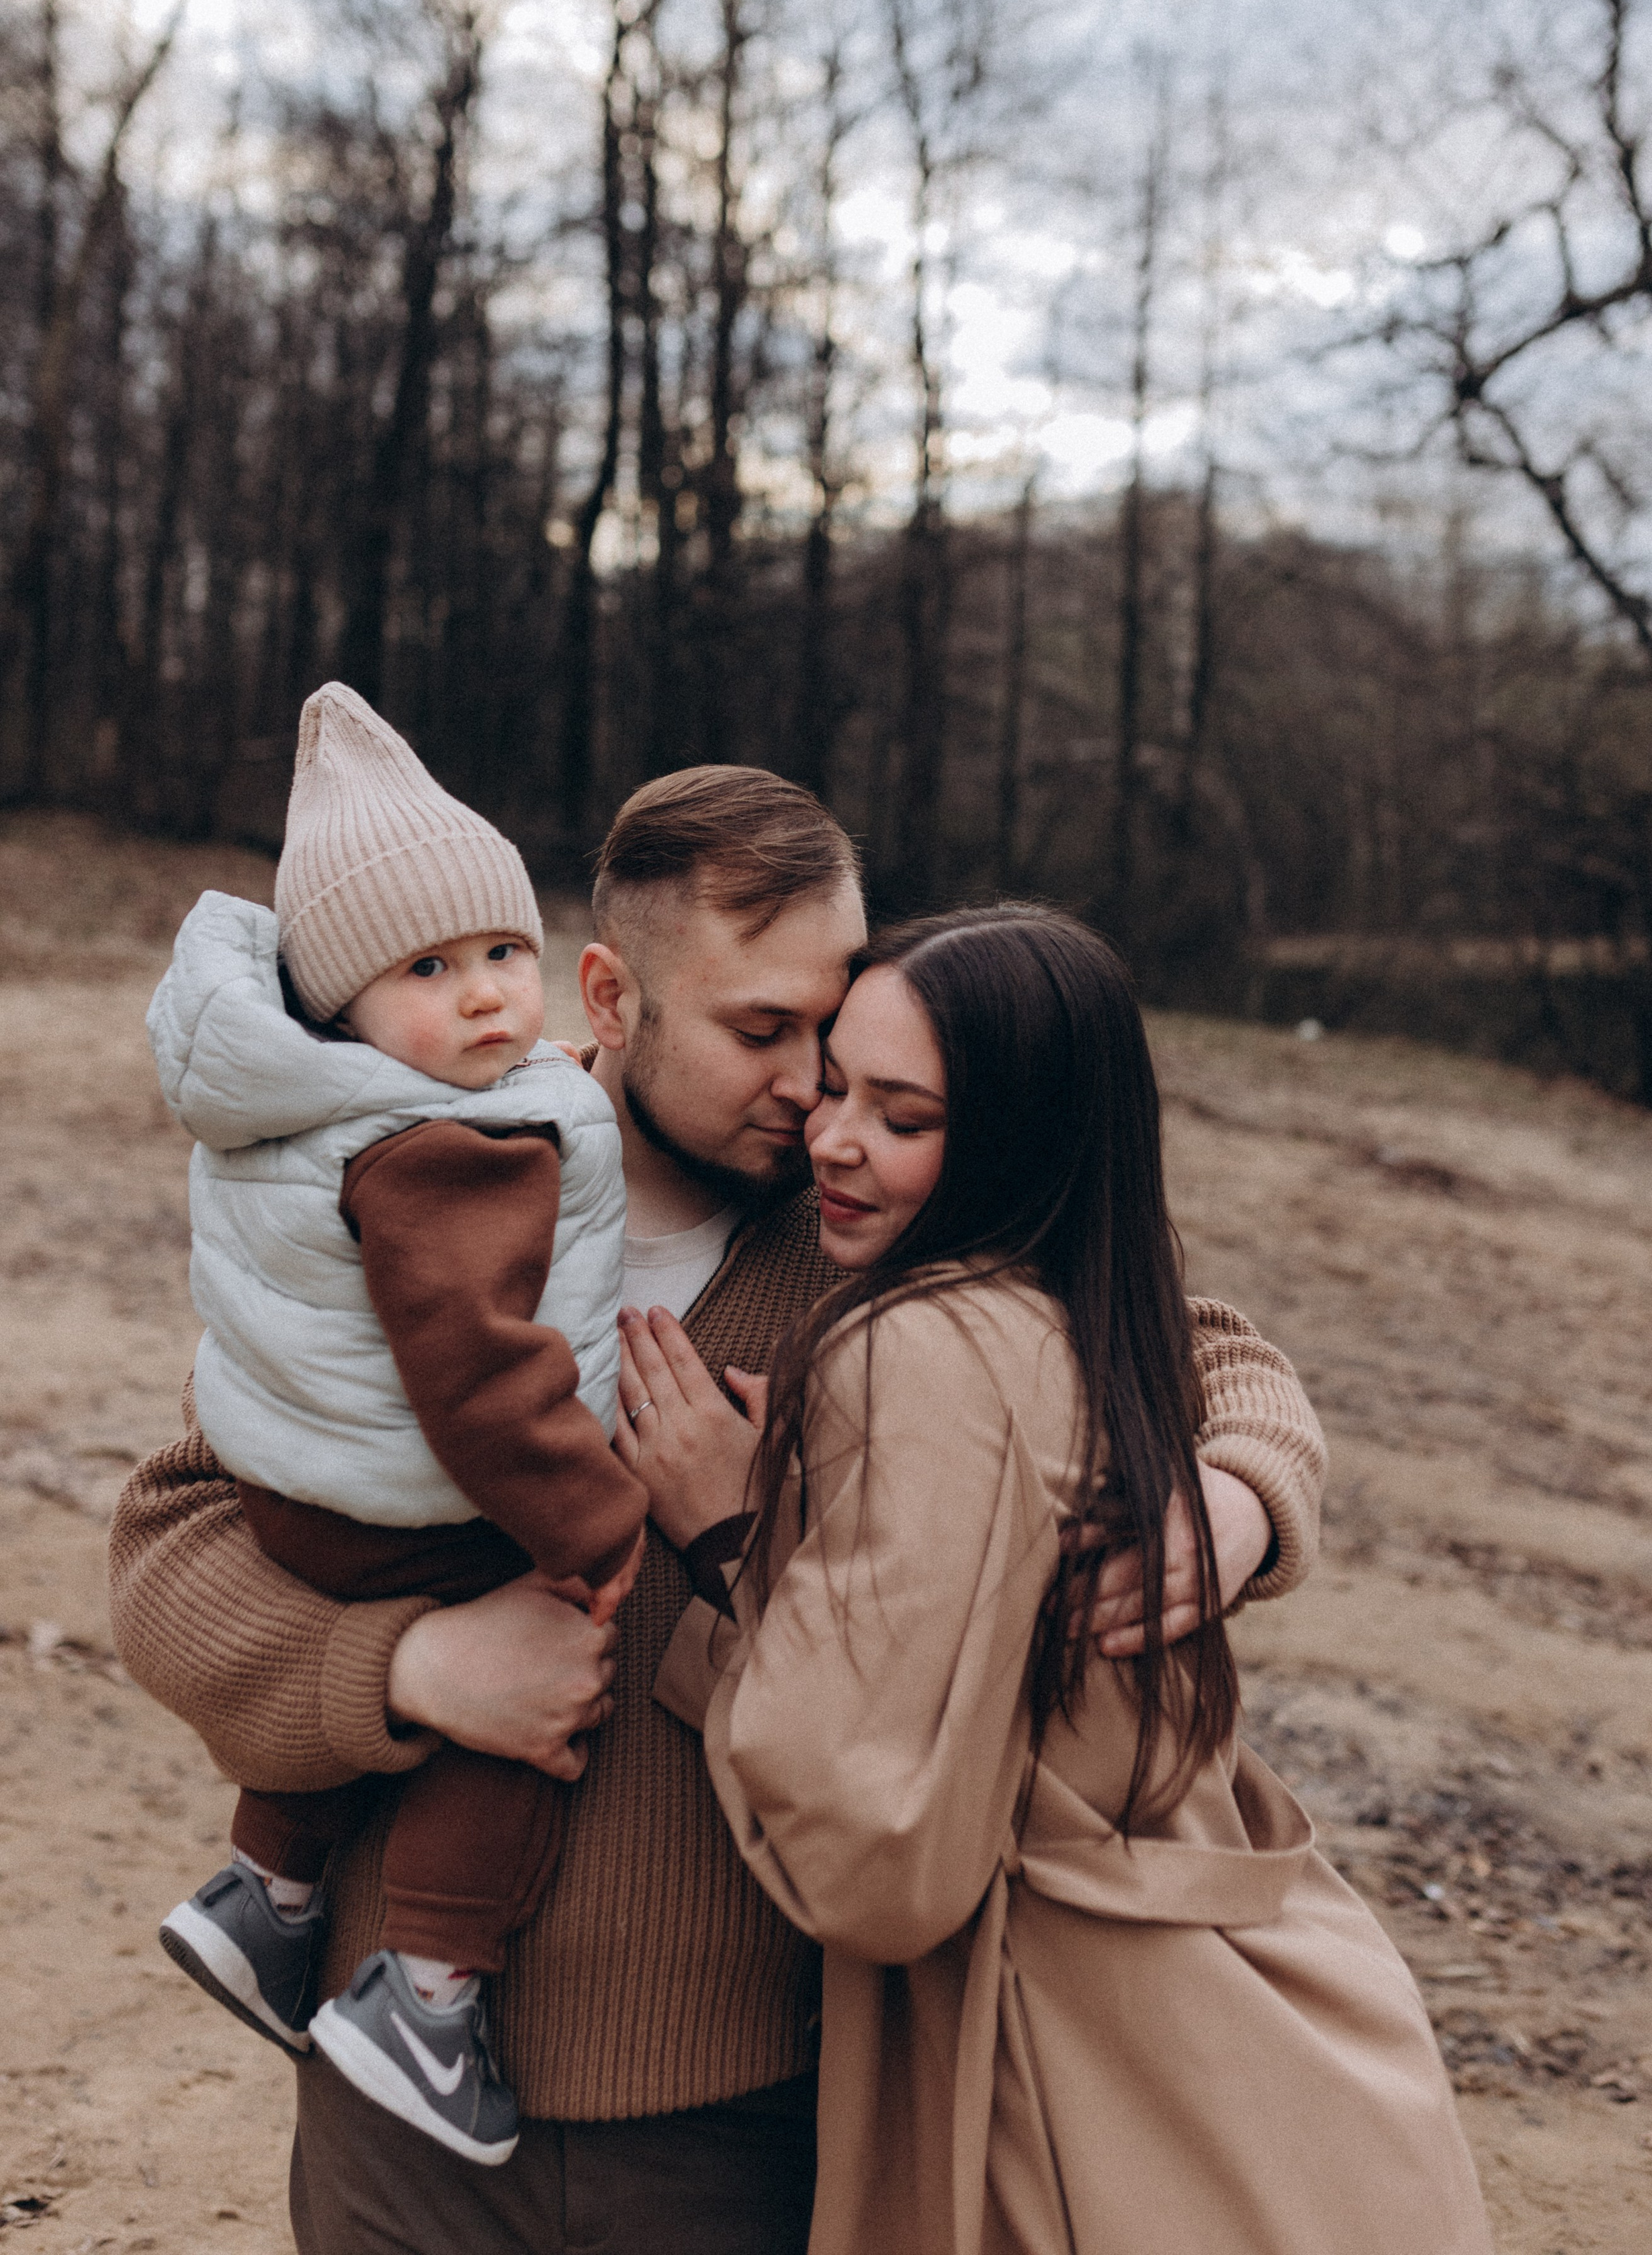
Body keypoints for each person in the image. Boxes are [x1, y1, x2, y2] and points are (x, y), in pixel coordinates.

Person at [110, 766, 1329, 2255]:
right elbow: (171, 1544)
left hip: (749, 2113)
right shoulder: (415, 1182)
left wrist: (1238, 1495)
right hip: (390, 2105)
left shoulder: (879, 1238)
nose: (818, 1088)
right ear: (613, 998)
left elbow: (1200, 1348)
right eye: (762, 1031)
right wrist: (412, 1674)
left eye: (836, 1023)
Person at [618, 907, 1492, 2255]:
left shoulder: (911, 1352)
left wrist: (729, 1543)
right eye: (834, 1085)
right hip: (1267, 2066)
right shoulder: (1094, 1293)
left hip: (1073, 2087)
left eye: (898, 1115)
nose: (831, 1138)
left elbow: (876, 1857)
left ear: (1016, 1138)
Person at [147, 683, 646, 2166]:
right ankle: (427, 1999)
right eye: (430, 967)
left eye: (504, 950)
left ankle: (268, 1894)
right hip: (404, 1500)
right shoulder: (446, 1150)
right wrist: (593, 1521)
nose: (490, 995)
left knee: (434, 1633)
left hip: (303, 1486)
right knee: (526, 1696)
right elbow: (482, 1377)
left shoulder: (309, 1108)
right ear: (340, 1004)